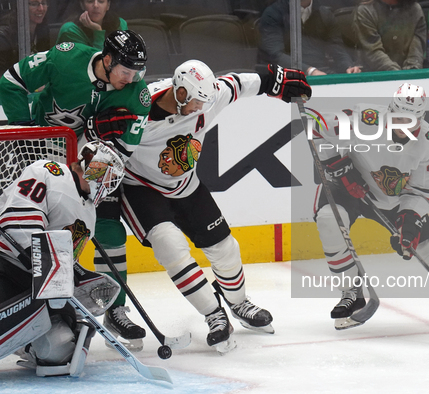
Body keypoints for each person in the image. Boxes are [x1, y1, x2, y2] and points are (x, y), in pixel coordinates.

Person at [118, 60, 311, 352]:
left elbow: (238, 83)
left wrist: (275, 79)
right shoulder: (135, 110)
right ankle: (214, 314)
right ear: (180, 92)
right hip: (140, 189)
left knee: (225, 247)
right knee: (170, 245)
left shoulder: (206, 98)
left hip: (186, 185)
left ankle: (238, 302)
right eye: (196, 101)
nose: (200, 108)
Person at [0, 30, 151, 349]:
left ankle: (106, 308)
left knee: (94, 229)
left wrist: (101, 142)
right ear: (107, 60)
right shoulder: (65, 58)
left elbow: (121, 154)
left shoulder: (137, 94)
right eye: (126, 70)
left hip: (84, 166)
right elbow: (11, 81)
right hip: (34, 154)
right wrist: (27, 135)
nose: (132, 78)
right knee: (21, 224)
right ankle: (24, 301)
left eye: (137, 71)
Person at [312, 83, 429, 330]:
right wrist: (336, 163)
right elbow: (315, 126)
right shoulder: (365, 119)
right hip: (345, 187)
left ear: (421, 119)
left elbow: (421, 191)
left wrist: (409, 222)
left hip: (393, 198)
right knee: (330, 220)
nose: (402, 125)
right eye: (398, 117)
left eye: (409, 120)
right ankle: (352, 293)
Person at [0, 140, 125, 377]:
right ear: (94, 167)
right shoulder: (48, 172)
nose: (108, 185)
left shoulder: (89, 214)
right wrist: (43, 260)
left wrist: (77, 277)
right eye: (108, 176)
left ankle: (26, 345)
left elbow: (65, 260)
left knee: (59, 348)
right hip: (6, 265)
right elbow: (16, 221)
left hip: (33, 286)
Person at [258, 0, 362, 76]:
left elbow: (336, 48)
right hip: (284, 77)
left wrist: (348, 67)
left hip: (321, 72)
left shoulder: (324, 14)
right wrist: (310, 71)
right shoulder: (272, 14)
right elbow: (275, 55)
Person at [354, 0, 426, 71]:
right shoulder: (366, 10)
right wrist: (397, 75)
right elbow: (373, 52)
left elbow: (416, 51)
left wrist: (412, 72)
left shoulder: (415, 9)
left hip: (410, 75)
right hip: (376, 76)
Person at [0, 0, 50, 75]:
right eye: (34, 4)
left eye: (43, 3)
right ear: (20, 7)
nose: (41, 9)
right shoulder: (4, 37)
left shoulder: (43, 30)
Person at [56, 0, 127, 49]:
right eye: (90, 1)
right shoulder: (70, 30)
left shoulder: (120, 24)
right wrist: (98, 32)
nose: (96, 5)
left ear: (108, 5)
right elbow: (95, 64)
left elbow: (127, 60)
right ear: (82, 5)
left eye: (101, 1)